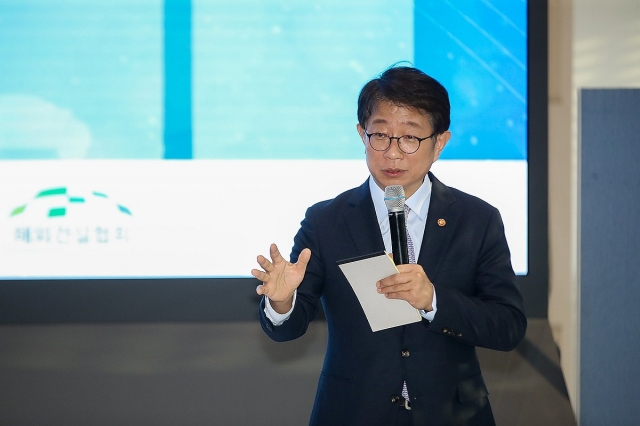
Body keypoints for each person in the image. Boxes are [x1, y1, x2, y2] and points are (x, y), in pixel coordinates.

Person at [251, 66, 527, 426]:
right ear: (361, 135)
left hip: (453, 414)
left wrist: (433, 300)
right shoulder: (326, 221)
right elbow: (287, 327)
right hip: (354, 412)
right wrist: (282, 301)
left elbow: (508, 326)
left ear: (439, 142)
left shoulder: (477, 219)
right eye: (380, 135)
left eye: (410, 138)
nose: (392, 153)